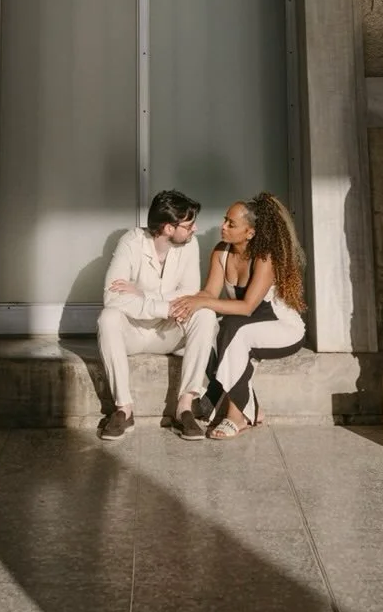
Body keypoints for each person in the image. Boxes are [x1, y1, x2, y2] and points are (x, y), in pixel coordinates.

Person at [170, 192, 305, 440]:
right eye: (225, 220)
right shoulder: (221, 252)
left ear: (250, 233)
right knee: (208, 331)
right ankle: (251, 406)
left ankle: (237, 416)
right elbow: (210, 294)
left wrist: (202, 301)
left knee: (235, 334)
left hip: (282, 328)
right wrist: (188, 305)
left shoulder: (264, 258)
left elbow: (247, 307)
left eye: (231, 224)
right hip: (243, 324)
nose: (223, 226)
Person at [97, 189, 217, 442]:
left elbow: (189, 294)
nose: (195, 229)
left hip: (171, 332)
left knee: (205, 314)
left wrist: (142, 294)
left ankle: (185, 406)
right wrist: (163, 306)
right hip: (135, 333)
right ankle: (124, 409)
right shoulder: (131, 242)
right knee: (108, 318)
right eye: (189, 225)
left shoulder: (189, 244)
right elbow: (112, 296)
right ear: (168, 228)